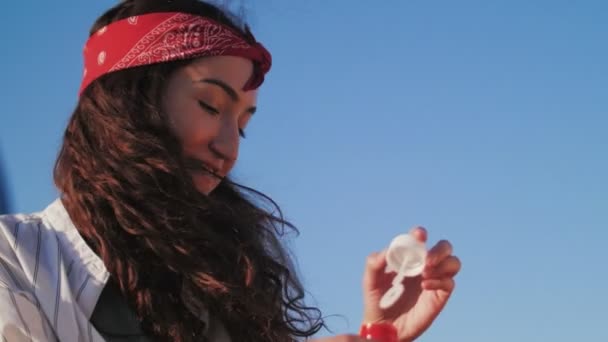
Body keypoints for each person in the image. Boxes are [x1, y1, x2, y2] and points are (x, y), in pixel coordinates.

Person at [0, 0, 461, 341]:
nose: (228, 148)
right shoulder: (15, 260)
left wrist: (374, 333)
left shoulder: (222, 287)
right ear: (127, 101)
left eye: (243, 125)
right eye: (210, 104)